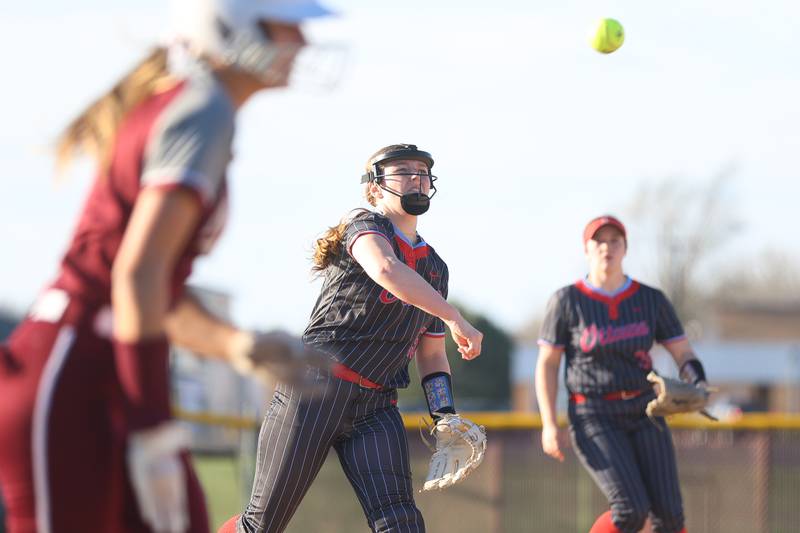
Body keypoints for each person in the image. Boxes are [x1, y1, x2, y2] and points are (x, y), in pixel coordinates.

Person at [0, 1, 335, 532]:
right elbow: (134, 276)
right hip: (72, 371)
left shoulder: (197, 105)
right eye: (287, 22)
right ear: (235, 25)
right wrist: (150, 422)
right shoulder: (204, 108)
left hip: (99, 369)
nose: (303, 39)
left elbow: (155, 285)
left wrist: (234, 344)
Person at [219, 144, 484, 533]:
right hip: (315, 389)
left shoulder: (435, 268)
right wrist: (454, 315)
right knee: (262, 525)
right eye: (403, 171)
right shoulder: (363, 224)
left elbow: (431, 355)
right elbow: (386, 268)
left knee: (401, 524)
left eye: (423, 172)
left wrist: (445, 416)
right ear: (374, 190)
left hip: (376, 406)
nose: (417, 178)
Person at [535, 215, 711, 533]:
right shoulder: (567, 301)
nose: (607, 247)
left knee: (669, 517)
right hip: (593, 413)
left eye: (615, 240)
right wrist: (549, 422)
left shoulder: (650, 299)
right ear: (586, 249)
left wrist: (696, 380)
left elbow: (683, 351)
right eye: (599, 240)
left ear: (625, 248)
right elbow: (547, 363)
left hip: (646, 409)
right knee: (631, 510)